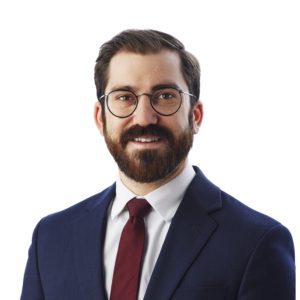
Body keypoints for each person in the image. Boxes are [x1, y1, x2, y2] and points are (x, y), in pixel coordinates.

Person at [21, 29, 295, 300]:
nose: (144, 117)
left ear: (195, 115)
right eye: (124, 97)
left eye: (164, 96)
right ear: (100, 118)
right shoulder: (51, 238)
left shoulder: (257, 242)